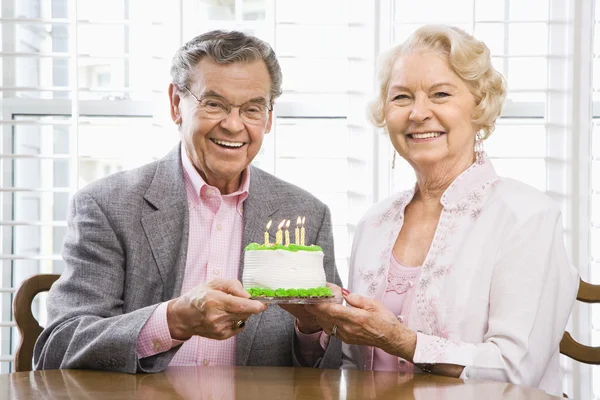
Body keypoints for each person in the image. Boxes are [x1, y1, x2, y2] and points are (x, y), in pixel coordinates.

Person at [34, 30, 342, 372]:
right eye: (214, 104)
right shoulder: (107, 206)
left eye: (252, 109)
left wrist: (311, 328)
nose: (233, 125)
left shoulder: (307, 216)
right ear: (175, 103)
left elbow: (332, 366)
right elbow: (59, 347)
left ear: (268, 117)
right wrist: (172, 321)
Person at [307, 25, 579, 396]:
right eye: (401, 97)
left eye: (440, 94)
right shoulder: (375, 222)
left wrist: (402, 340)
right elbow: (353, 367)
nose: (418, 113)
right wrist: (314, 324)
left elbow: (517, 370)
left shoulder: (527, 218)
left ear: (479, 106)